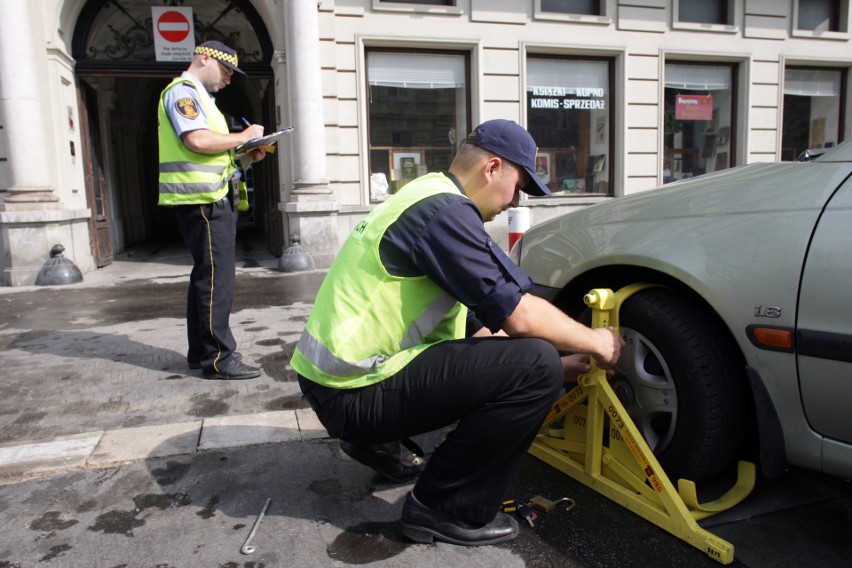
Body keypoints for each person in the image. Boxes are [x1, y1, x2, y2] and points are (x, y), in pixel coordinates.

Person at [291, 119, 624, 546]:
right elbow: (519, 316)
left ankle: (382, 444)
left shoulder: (425, 195)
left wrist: (563, 364)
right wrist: (597, 341)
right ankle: (442, 508)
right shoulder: (446, 213)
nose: (515, 200)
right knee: (536, 364)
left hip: (339, 383)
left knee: (541, 361)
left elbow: (476, 339)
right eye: (518, 185)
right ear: (492, 168)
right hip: (352, 394)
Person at [158, 40, 266, 380]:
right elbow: (198, 141)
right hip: (204, 201)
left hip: (209, 196)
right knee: (217, 281)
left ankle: (200, 354)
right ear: (205, 58)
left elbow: (214, 155)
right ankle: (219, 358)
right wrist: (244, 135)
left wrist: (249, 154)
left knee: (206, 277)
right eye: (226, 70)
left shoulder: (203, 100)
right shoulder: (183, 92)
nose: (229, 79)